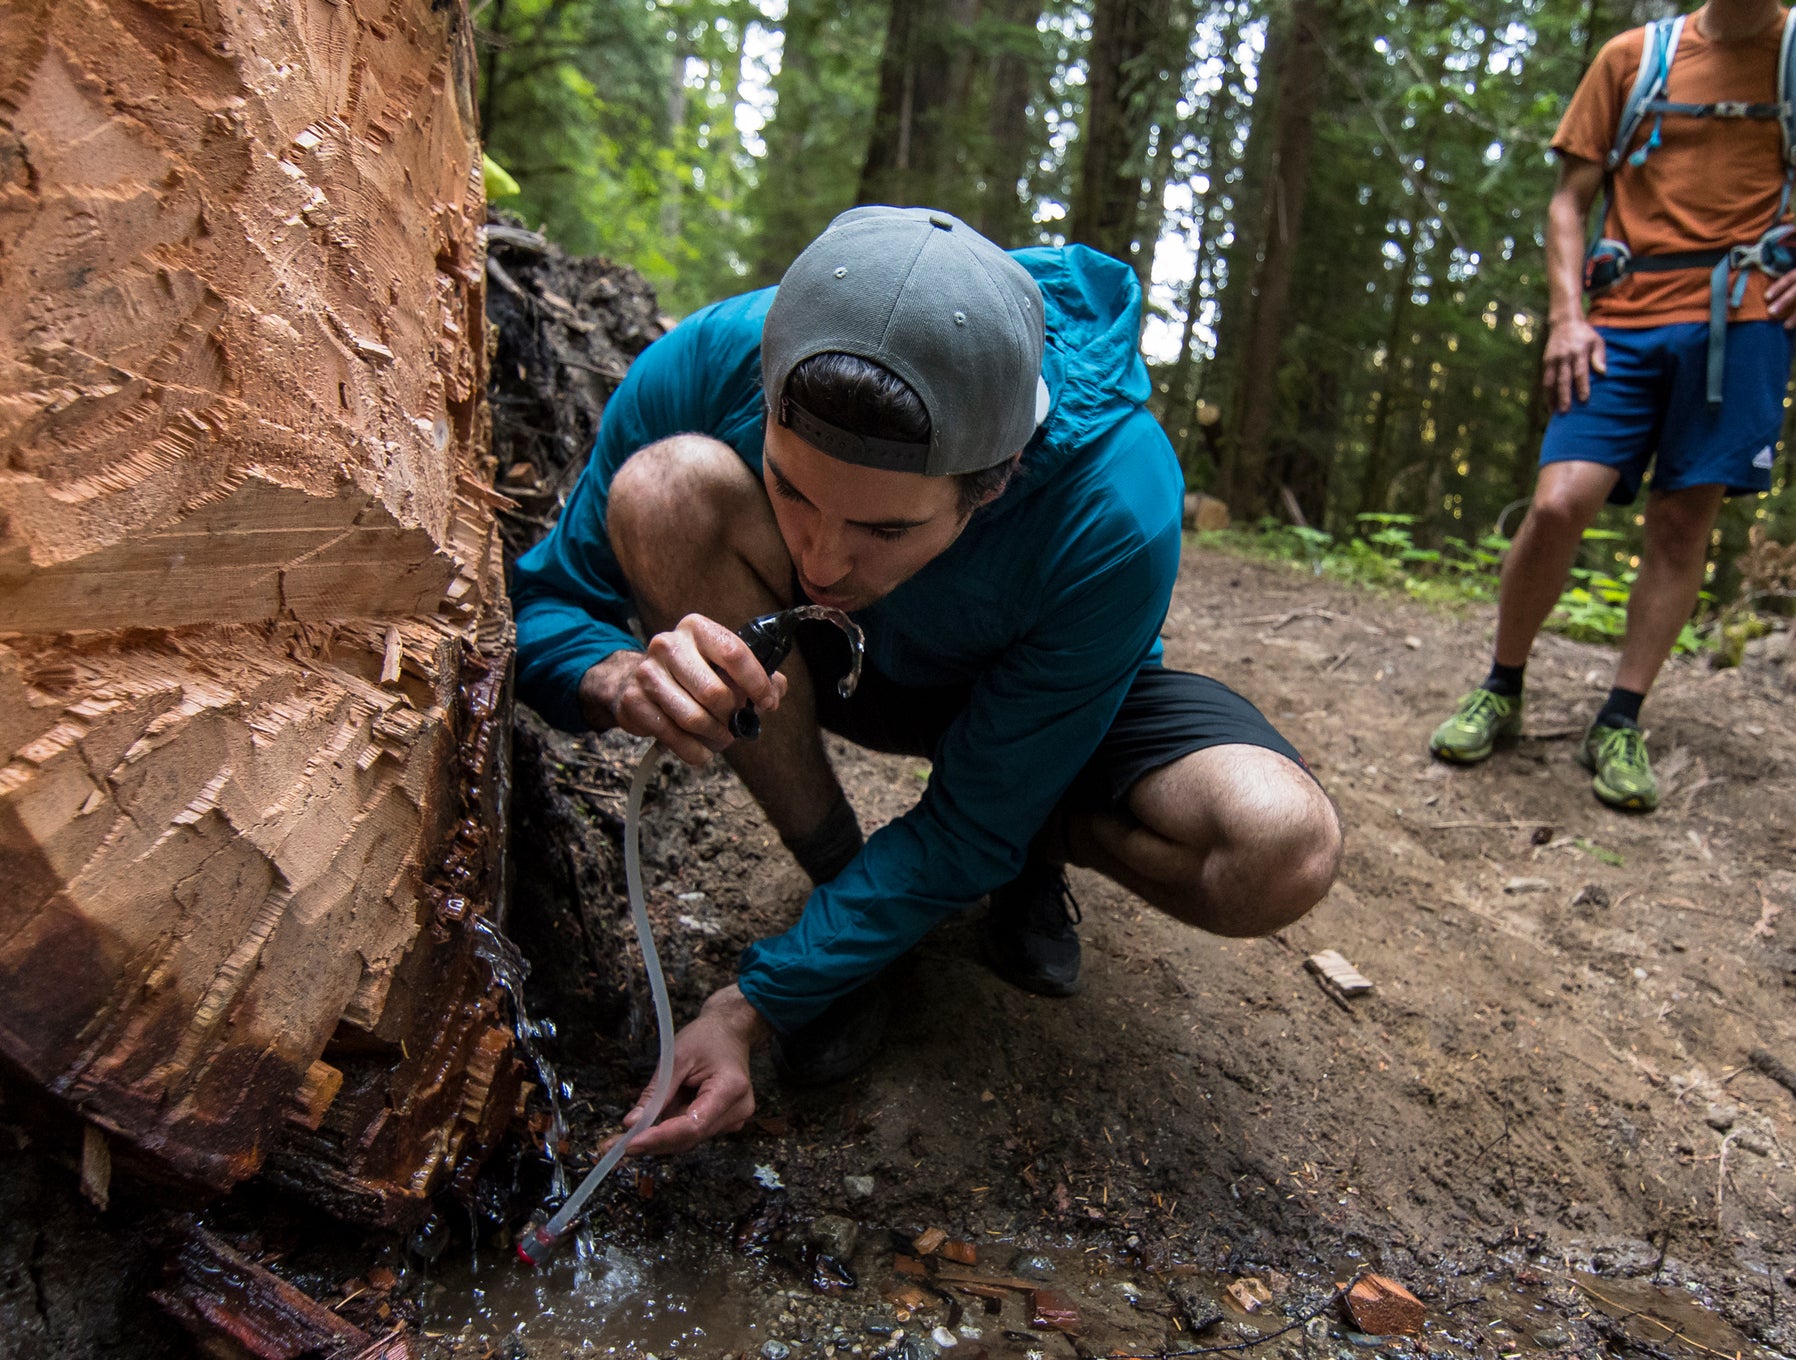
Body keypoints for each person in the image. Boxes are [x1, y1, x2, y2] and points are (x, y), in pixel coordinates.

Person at [510, 206, 1342, 1157]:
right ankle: (843, 882)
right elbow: (538, 606)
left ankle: (1039, 840)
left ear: (991, 482)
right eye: (791, 488)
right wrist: (617, 678)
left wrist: (754, 1005)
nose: (820, 558)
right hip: (837, 664)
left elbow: (969, 822)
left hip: (1033, 702)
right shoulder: (719, 356)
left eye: (886, 528)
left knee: (1281, 846)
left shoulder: (1115, 496)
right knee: (663, 490)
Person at [1429, 0, 1796, 810]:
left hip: (1744, 320)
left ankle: (1621, 717)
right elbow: (1570, 200)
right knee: (1560, 502)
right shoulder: (1632, 57)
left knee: (1681, 521)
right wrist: (1566, 317)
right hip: (1622, 316)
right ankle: (1501, 683)